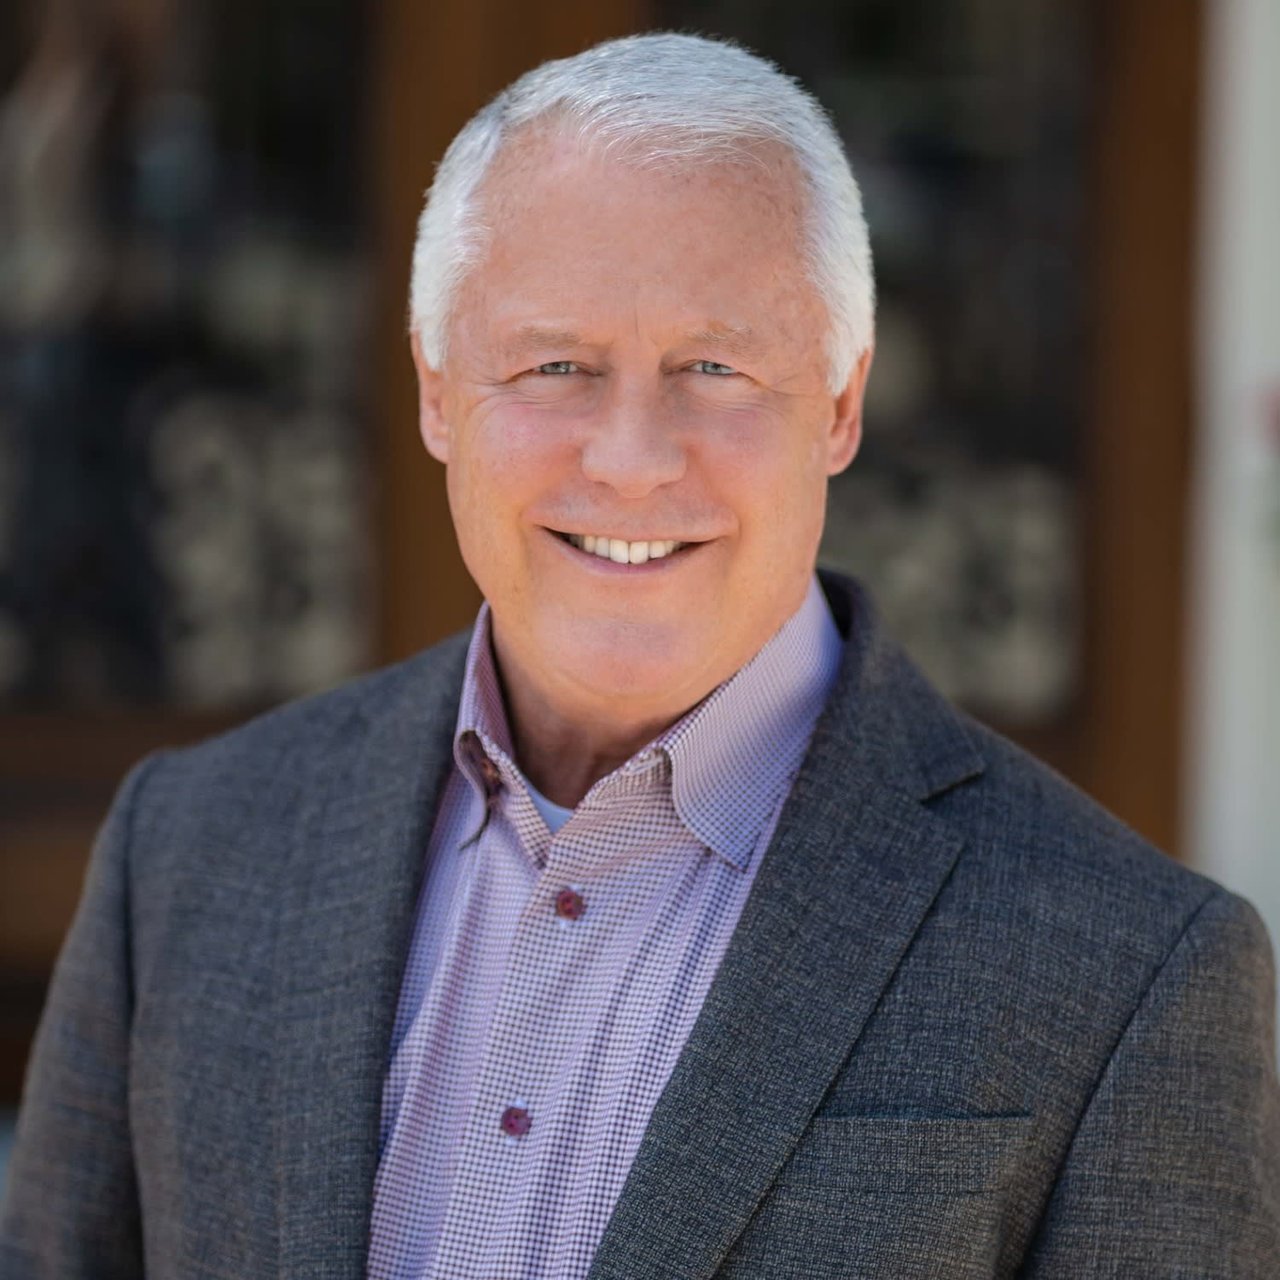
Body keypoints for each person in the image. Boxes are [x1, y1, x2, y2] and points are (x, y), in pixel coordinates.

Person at [2, 31, 1277, 1280]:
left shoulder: (1133, 974)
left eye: (713, 367)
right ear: (437, 390)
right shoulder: (186, 848)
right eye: (554, 363)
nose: (628, 456)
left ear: (838, 403)